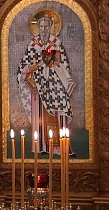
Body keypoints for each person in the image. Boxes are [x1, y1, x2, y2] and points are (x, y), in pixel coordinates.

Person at [16, 11, 75, 153]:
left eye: (46, 26)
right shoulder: (33, 43)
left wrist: (49, 63)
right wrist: (34, 65)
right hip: (38, 84)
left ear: (51, 27)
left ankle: (60, 147)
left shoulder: (56, 42)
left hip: (56, 83)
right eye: (41, 27)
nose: (44, 29)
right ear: (38, 27)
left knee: (59, 110)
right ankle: (41, 146)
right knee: (39, 114)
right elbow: (25, 64)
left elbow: (63, 63)